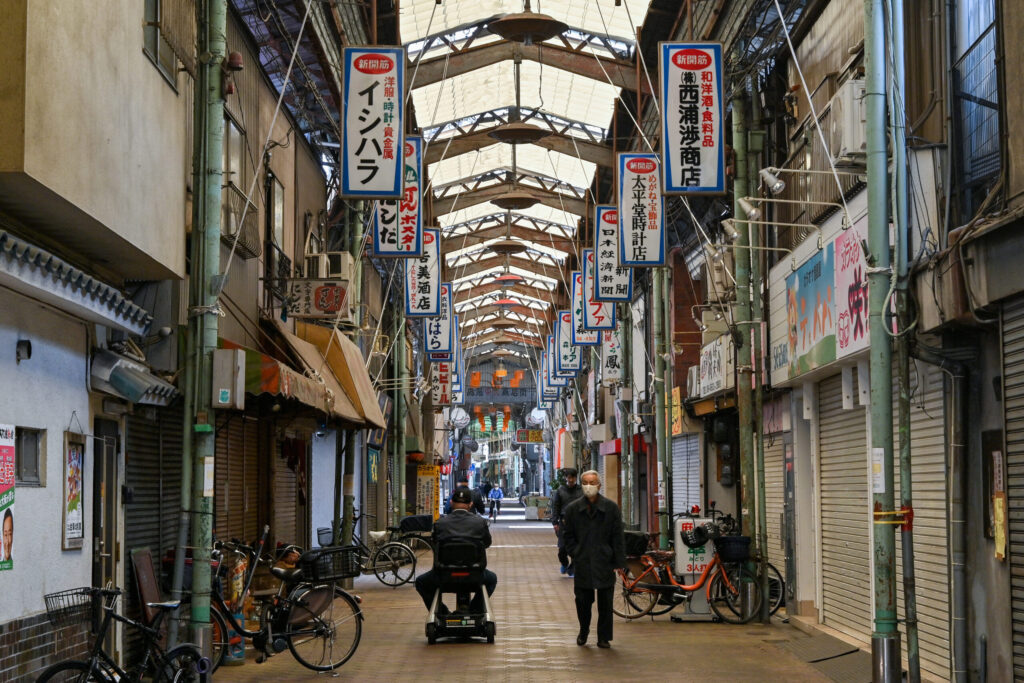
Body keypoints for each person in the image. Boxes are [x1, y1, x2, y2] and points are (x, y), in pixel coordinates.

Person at [561, 470, 626, 649]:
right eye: (586, 482)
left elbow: (617, 537)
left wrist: (619, 562)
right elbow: (568, 536)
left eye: (593, 482)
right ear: (582, 485)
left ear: (599, 485)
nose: (589, 486)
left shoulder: (611, 508)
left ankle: (604, 637)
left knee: (606, 602)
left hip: (604, 561)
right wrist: (575, 553)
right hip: (583, 561)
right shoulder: (573, 509)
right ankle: (584, 631)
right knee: (582, 600)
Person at [415, 488, 497, 614]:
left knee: (421, 582)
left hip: (444, 577)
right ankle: (474, 610)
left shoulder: (440, 523)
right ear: (470, 504)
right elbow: (487, 543)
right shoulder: (480, 523)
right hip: (475, 576)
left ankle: (443, 613)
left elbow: (435, 543)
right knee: (492, 579)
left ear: (452, 502)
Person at [550, 467, 583, 576]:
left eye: (572, 477)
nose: (570, 480)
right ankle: (564, 563)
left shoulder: (581, 490)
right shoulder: (560, 491)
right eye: (568, 477)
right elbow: (556, 507)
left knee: (576, 548)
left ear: (575, 478)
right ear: (566, 478)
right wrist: (555, 522)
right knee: (562, 548)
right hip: (563, 523)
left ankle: (572, 569)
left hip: (578, 523)